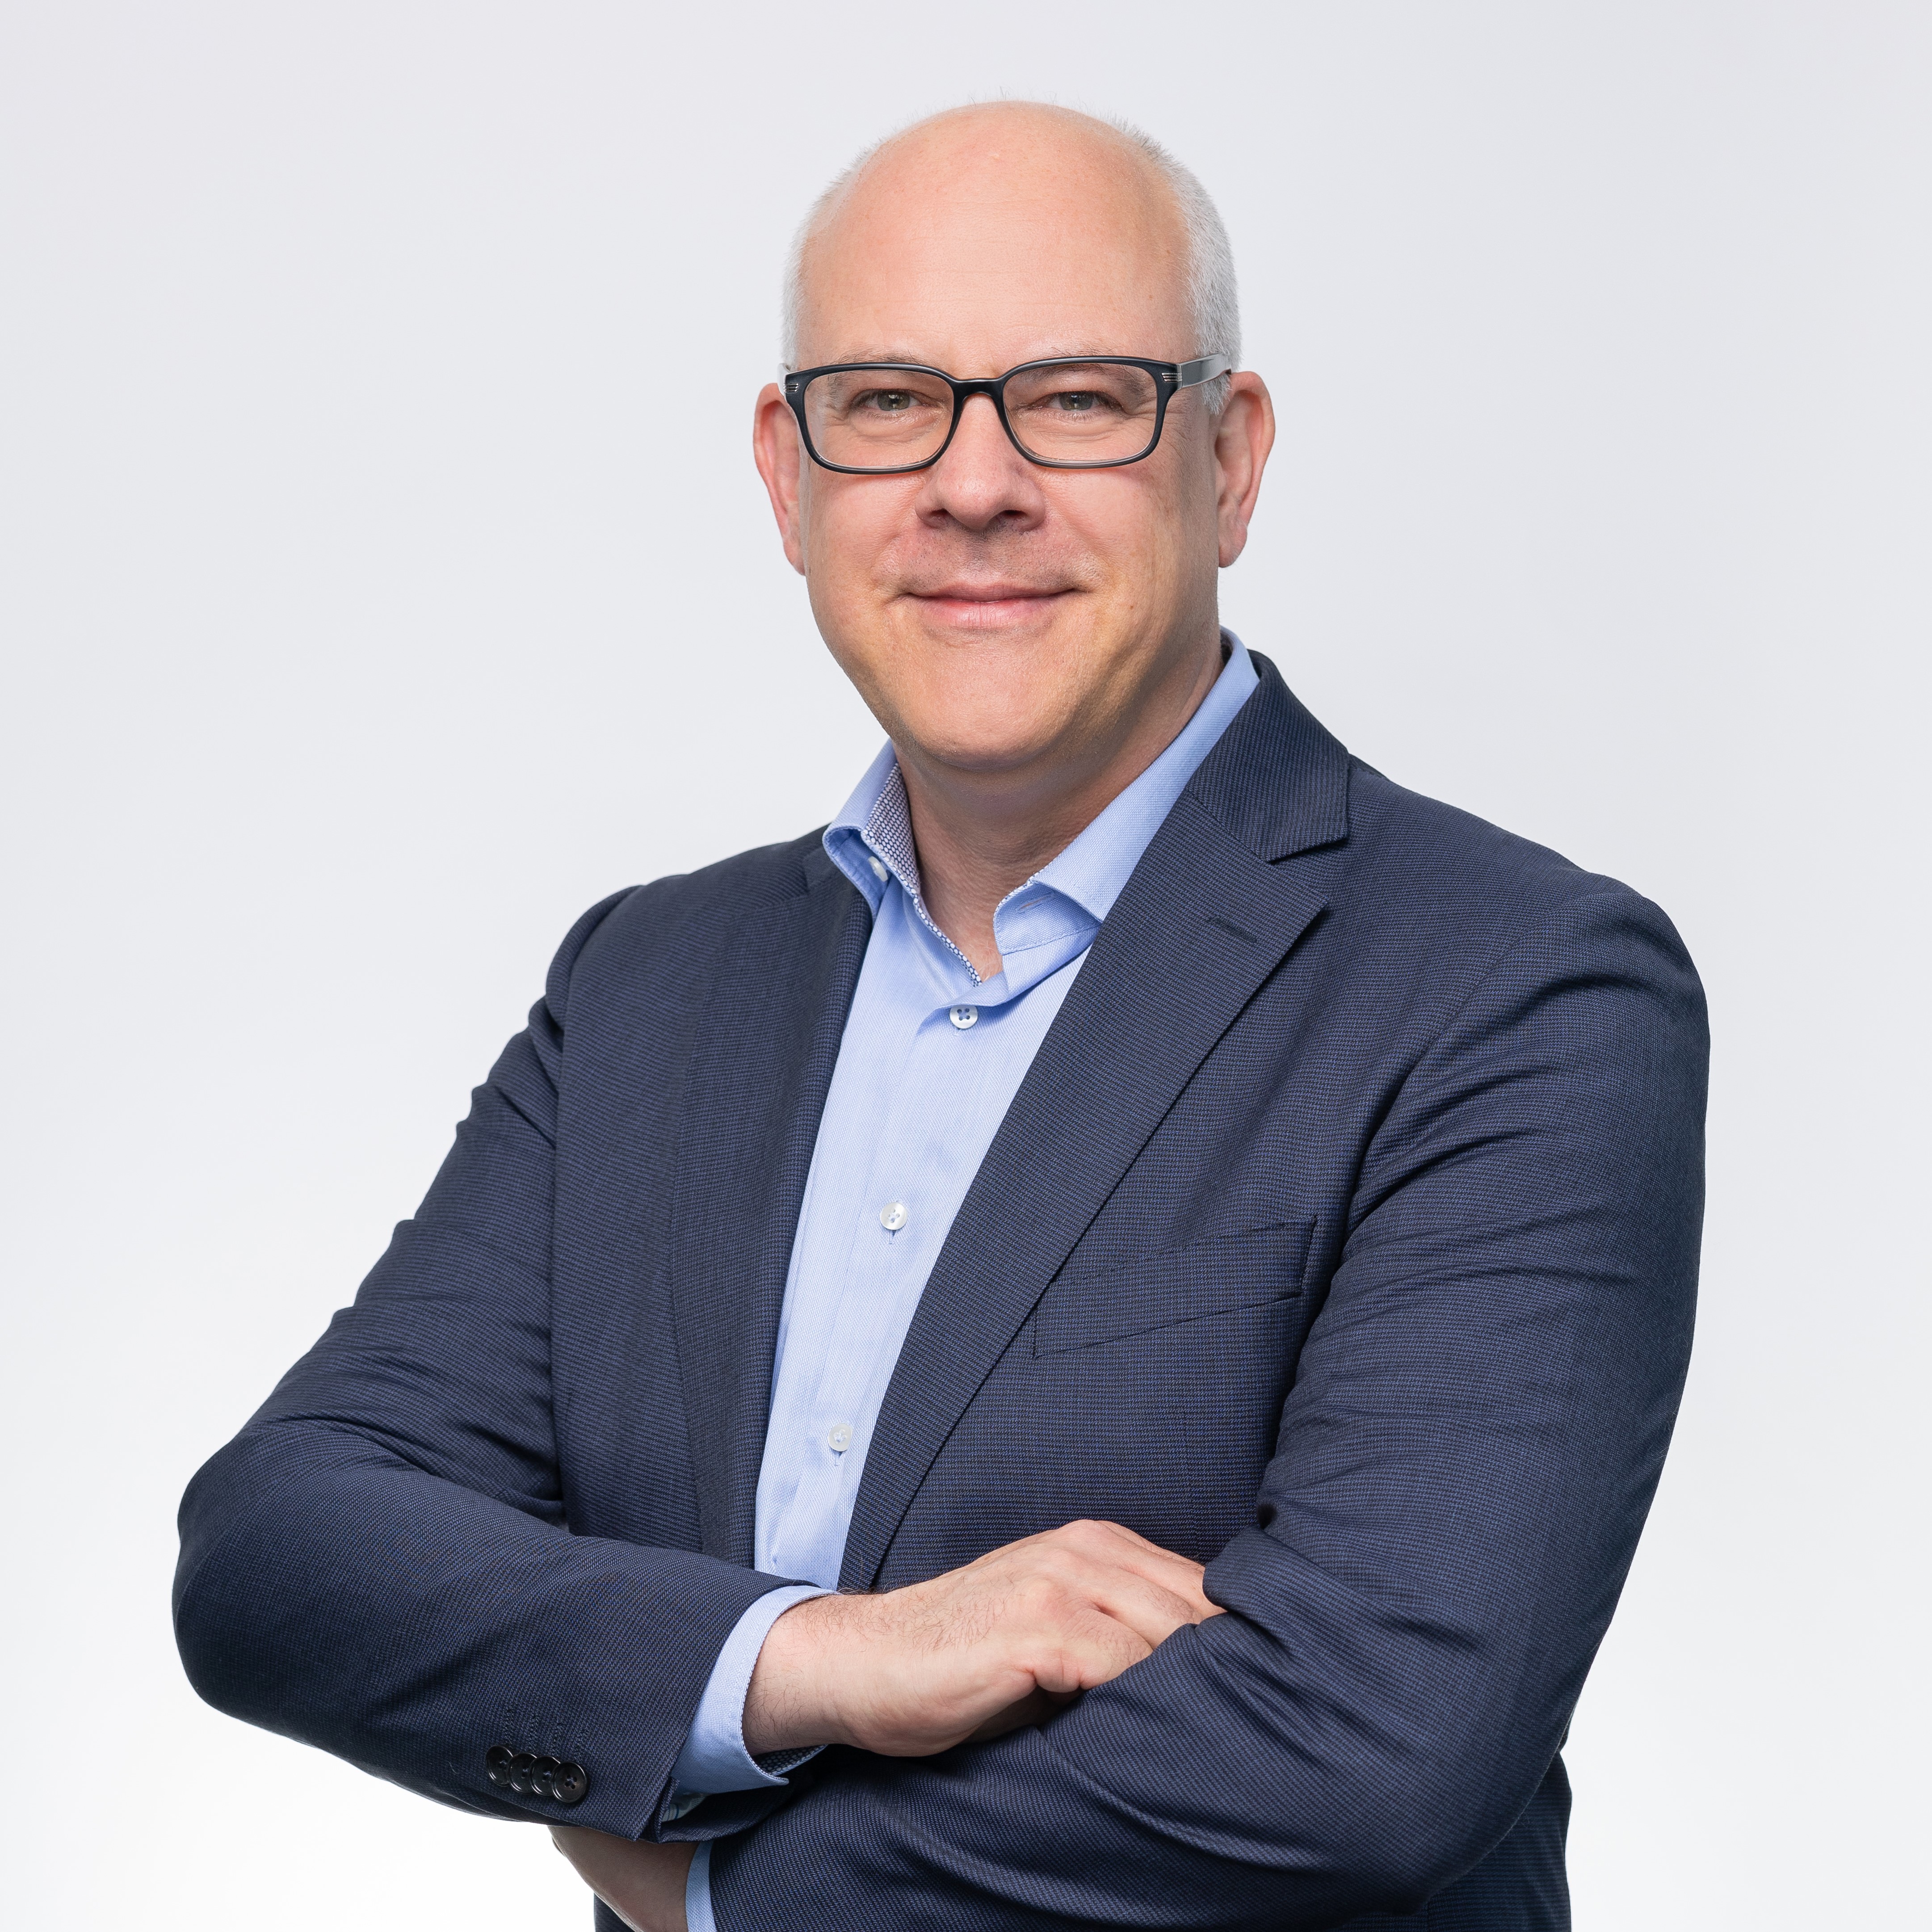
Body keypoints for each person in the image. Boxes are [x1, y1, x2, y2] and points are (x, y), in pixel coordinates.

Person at [174, 102, 1706, 1932]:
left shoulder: (1516, 986)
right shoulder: (649, 985)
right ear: (787, 476)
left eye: (1076, 396)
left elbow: (1372, 1745)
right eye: (890, 400)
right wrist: (816, 1656)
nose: (974, 484)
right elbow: (282, 1548)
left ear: (1228, 460)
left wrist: (721, 1894)